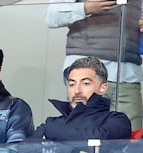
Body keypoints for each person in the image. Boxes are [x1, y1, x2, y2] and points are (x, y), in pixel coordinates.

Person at [44, 0, 143, 130]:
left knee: (130, 142)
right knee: (82, 137)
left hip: (127, 75)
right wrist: (86, 8)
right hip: (85, 71)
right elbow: (50, 16)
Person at [32, 56, 131, 153]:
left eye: (85, 83)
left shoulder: (117, 120)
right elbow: (24, 151)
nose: (77, 90)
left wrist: (51, 134)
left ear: (103, 88)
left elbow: (97, 140)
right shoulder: (53, 122)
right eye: (72, 84)